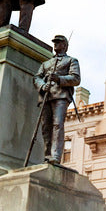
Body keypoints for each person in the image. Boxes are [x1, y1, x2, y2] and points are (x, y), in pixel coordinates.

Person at [34, 35, 81, 164]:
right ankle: (47, 155)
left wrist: (59, 79)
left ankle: (56, 156)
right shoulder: (46, 64)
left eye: (58, 43)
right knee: (45, 127)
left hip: (61, 96)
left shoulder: (71, 61)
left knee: (58, 124)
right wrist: (43, 85)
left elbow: (76, 79)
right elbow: (37, 77)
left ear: (65, 45)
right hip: (46, 96)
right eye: (55, 42)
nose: (55, 45)